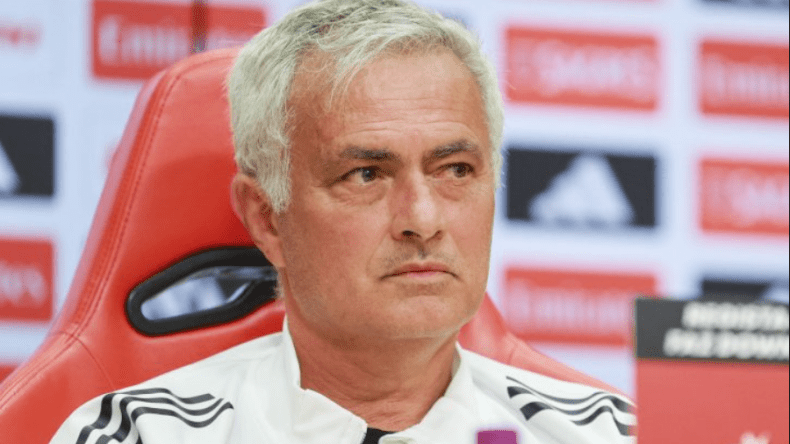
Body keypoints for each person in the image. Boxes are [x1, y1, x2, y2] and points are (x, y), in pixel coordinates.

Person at [50, 1, 635, 443]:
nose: (423, 219)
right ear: (267, 220)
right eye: (366, 175)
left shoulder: (609, 432)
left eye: (455, 170)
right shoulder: (138, 435)